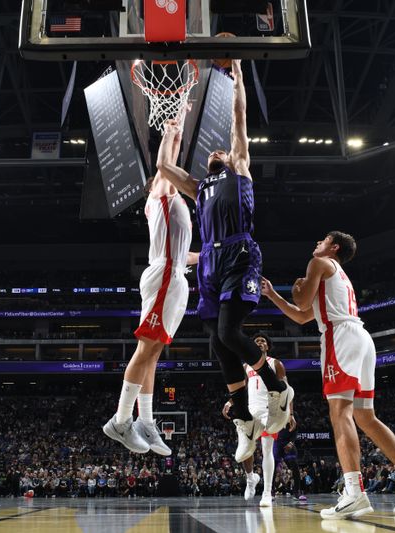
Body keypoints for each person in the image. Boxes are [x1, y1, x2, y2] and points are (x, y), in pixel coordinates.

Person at [156, 60, 292, 464]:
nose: (216, 151)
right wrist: (169, 132)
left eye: (222, 151)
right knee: (217, 340)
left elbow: (239, 119)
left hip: (240, 252)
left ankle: (275, 388)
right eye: (212, 152)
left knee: (230, 332)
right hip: (212, 262)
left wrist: (238, 77)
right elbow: (164, 168)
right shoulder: (198, 188)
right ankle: (245, 417)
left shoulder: (240, 169)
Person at [260, 232, 395, 519]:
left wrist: (296, 289)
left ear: (334, 246)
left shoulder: (319, 263)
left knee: (339, 412)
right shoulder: (336, 274)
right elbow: (303, 317)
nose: (316, 243)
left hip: (339, 337)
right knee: (365, 416)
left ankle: (354, 492)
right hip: (361, 339)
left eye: (322, 240)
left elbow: (302, 303)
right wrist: (273, 295)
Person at [103, 107, 198, 457]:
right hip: (163, 278)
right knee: (146, 349)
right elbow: (164, 166)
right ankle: (121, 420)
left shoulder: (173, 205)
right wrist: (173, 131)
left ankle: (145, 419)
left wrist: (208, 257)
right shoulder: (161, 193)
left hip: (174, 276)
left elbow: (184, 252)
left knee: (155, 353)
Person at [222, 333, 294, 507]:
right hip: (250, 411)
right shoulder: (246, 366)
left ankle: (267, 493)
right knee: (246, 450)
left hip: (270, 411)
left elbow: (286, 390)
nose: (260, 343)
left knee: (267, 450)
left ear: (267, 346)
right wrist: (229, 402)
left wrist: (290, 413)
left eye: (263, 341)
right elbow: (240, 388)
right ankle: (250, 478)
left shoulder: (275, 363)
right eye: (256, 342)